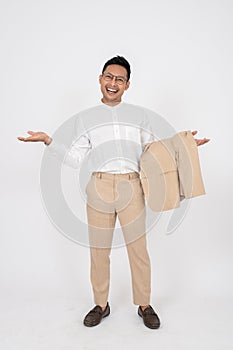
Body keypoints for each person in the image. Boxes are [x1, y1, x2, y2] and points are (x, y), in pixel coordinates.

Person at [17, 55, 210, 329]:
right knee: (99, 250)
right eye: (109, 76)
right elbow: (75, 157)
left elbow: (154, 150)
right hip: (99, 187)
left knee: (138, 249)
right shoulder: (86, 119)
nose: (113, 83)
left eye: (120, 79)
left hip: (132, 186)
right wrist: (49, 140)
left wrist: (185, 144)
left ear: (127, 85)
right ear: (100, 79)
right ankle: (100, 304)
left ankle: (144, 304)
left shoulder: (139, 116)